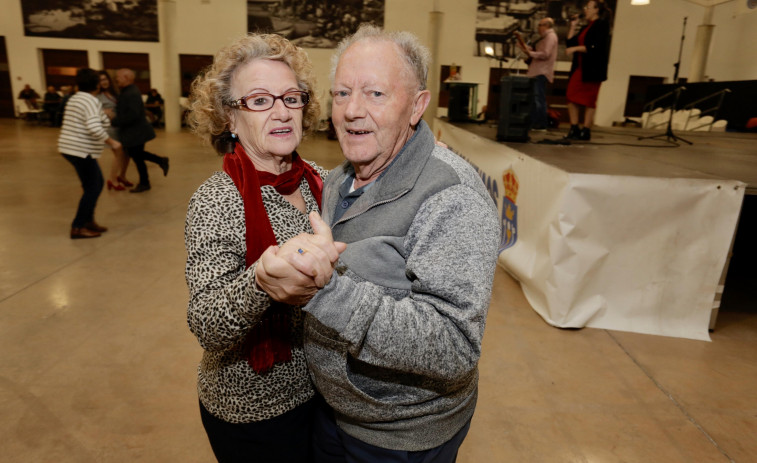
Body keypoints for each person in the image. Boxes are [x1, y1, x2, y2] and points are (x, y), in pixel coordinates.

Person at [256, 24, 501, 462]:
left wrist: (324, 292)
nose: (351, 111)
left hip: (397, 436)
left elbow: (453, 345)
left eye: (375, 94)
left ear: (417, 106)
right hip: (335, 413)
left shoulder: (452, 197)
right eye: (343, 93)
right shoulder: (339, 178)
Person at [184, 33, 344, 463]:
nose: (280, 111)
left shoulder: (320, 180)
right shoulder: (217, 200)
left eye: (291, 98)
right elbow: (205, 322)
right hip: (253, 410)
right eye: (259, 100)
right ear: (229, 118)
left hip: (320, 391)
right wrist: (260, 282)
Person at [58, 68, 122, 239]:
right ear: (96, 84)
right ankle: (78, 227)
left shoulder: (76, 98)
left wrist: (104, 117)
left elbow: (94, 120)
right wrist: (112, 142)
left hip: (69, 148)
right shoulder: (90, 101)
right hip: (80, 149)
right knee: (93, 186)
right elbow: (94, 127)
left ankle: (88, 221)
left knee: (92, 185)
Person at [112, 68, 169, 193]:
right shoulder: (128, 91)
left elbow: (133, 114)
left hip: (136, 132)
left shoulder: (130, 92)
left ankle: (146, 181)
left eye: (118, 76)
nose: (116, 79)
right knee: (137, 156)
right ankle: (158, 164)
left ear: (127, 78)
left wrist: (114, 120)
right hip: (134, 132)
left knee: (137, 156)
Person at [564, 0, 612, 141]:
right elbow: (570, 43)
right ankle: (574, 127)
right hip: (580, 68)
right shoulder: (586, 26)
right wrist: (573, 26)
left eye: (588, 7)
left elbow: (595, 47)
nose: (585, 10)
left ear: (596, 10)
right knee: (570, 96)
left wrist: (576, 49)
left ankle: (586, 129)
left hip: (593, 69)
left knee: (589, 100)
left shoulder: (601, 25)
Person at [516, 17, 558, 131]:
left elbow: (545, 54)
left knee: (538, 99)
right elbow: (538, 51)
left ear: (547, 26)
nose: (538, 27)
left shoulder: (550, 37)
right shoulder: (545, 37)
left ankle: (540, 123)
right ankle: (535, 122)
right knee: (536, 99)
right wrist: (524, 47)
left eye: (540, 25)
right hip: (538, 70)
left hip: (541, 71)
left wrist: (530, 53)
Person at [97, 71, 133, 191]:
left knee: (126, 153)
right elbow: (92, 111)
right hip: (110, 127)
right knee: (118, 154)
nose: (104, 82)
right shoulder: (97, 96)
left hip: (121, 126)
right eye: (101, 80)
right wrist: (103, 112)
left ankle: (122, 176)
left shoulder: (115, 92)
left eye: (105, 79)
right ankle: (112, 180)